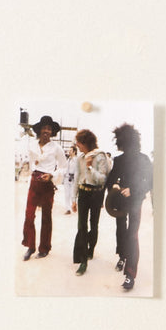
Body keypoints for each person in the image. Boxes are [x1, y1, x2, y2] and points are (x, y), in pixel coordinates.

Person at [105, 123, 152, 292]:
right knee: (120, 231)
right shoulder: (119, 160)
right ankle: (122, 256)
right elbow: (110, 181)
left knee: (132, 234)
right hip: (120, 202)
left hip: (136, 200)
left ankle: (130, 274)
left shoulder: (144, 159)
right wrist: (116, 187)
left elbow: (150, 182)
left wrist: (132, 190)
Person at [20, 115, 66, 259]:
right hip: (34, 182)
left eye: (49, 129)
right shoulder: (32, 145)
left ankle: (44, 247)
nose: (46, 131)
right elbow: (31, 162)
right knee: (29, 215)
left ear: (52, 132)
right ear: (39, 130)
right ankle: (30, 246)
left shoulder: (56, 148)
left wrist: (52, 175)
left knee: (46, 216)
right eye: (44, 128)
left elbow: (64, 167)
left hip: (47, 183)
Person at [71, 130, 110, 276]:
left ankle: (90, 249)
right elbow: (77, 178)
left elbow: (102, 179)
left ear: (86, 142)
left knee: (94, 224)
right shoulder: (80, 157)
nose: (77, 146)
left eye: (79, 143)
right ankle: (82, 261)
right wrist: (73, 199)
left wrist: (90, 167)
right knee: (81, 225)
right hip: (83, 193)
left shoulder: (100, 156)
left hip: (96, 194)